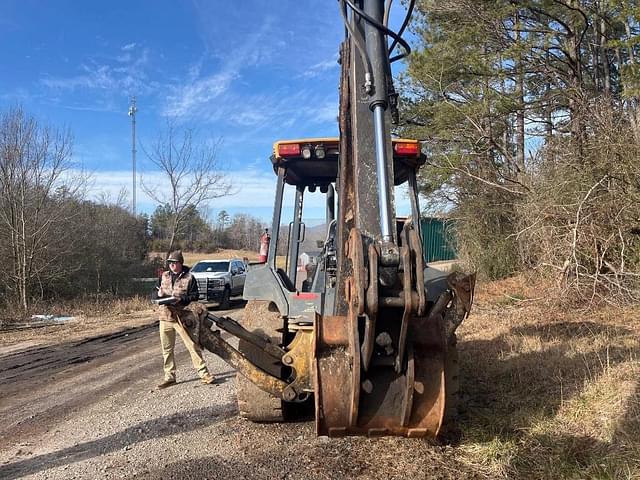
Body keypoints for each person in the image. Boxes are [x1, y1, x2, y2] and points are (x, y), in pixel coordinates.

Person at [155, 250, 215, 389]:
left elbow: (195, 296)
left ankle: (204, 374)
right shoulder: (163, 276)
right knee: (167, 349)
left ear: (181, 263)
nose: (172, 265)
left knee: (192, 346)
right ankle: (169, 377)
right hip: (164, 317)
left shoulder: (189, 277)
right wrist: (158, 295)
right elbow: (156, 291)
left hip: (182, 317)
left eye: (175, 263)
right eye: (170, 263)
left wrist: (181, 299)